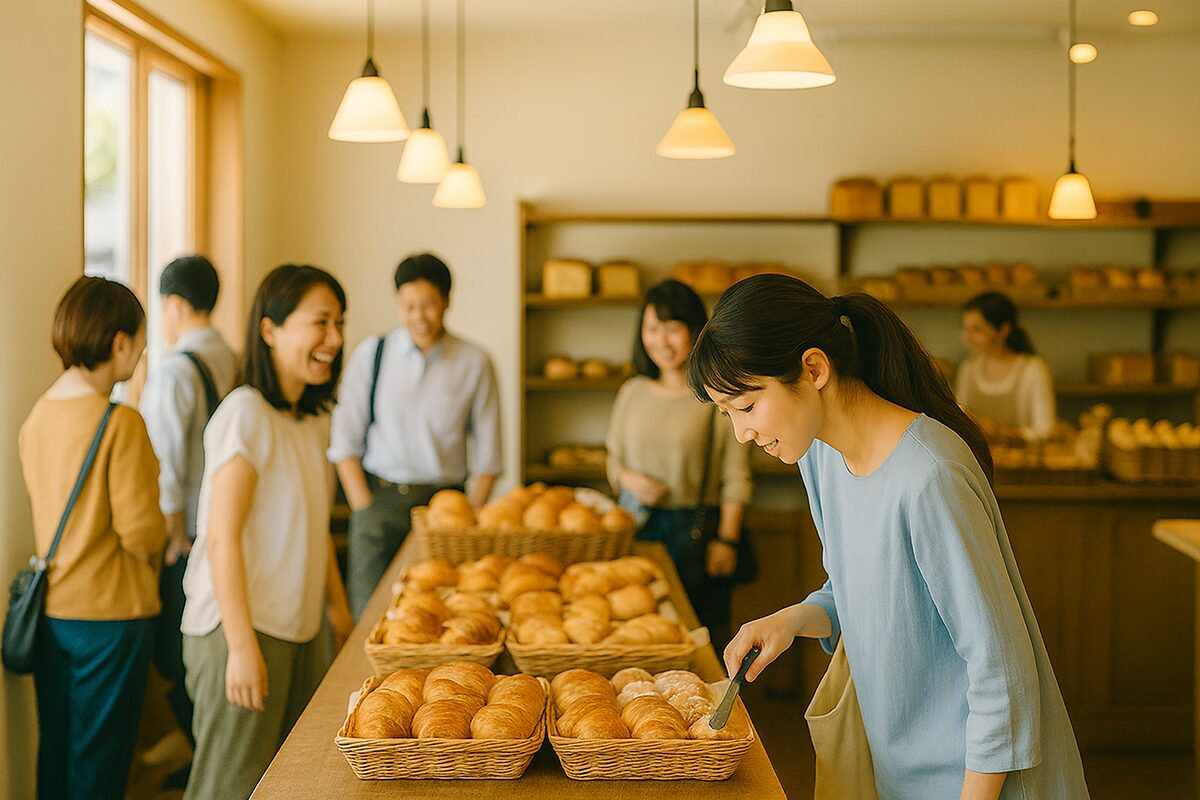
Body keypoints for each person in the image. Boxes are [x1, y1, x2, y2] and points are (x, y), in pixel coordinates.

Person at [688, 274, 1088, 800]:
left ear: (813, 368)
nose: (742, 433)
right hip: (901, 775)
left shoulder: (929, 476)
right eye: (727, 414)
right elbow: (868, 589)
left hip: (983, 782)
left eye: (747, 407)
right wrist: (792, 620)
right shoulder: (820, 456)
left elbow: (1001, 671)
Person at [181, 264, 354, 800]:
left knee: (294, 783)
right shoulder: (245, 413)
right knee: (228, 787)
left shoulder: (309, 420)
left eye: (340, 323)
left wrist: (338, 609)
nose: (335, 338)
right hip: (240, 629)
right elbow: (219, 536)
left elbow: (313, 524)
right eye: (320, 323)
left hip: (298, 628)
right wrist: (240, 645)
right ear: (270, 329)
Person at [19, 276, 166, 799]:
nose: (143, 349)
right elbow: (143, 531)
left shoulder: (38, 416)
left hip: (53, 614)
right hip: (111, 616)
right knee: (100, 764)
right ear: (119, 342)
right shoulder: (119, 423)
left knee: (56, 755)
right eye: (140, 338)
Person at [329, 252, 502, 616]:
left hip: (444, 506)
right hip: (379, 501)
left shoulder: (474, 362)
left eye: (428, 305)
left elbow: (489, 454)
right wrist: (364, 506)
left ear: (447, 302)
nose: (418, 317)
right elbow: (344, 440)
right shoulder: (372, 354)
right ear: (397, 302)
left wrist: (468, 513)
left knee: (441, 613)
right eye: (408, 306)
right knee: (370, 616)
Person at [606, 279, 752, 649]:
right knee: (640, 638)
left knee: (702, 643)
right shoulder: (632, 391)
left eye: (672, 328)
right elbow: (613, 460)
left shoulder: (715, 392)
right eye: (652, 329)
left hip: (697, 538)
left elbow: (735, 475)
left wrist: (727, 540)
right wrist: (628, 478)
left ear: (695, 331)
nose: (661, 340)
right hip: (638, 532)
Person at [139, 254, 238, 766]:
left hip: (192, 540)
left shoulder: (174, 371)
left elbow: (166, 468)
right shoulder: (236, 358)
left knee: (178, 656)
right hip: (235, 533)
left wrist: (172, 538)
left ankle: (197, 759)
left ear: (174, 304)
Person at [956, 291, 1056, 440]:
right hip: (974, 461)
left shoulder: (1033, 369)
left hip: (1021, 460)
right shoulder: (968, 368)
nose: (968, 338)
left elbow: (1045, 429)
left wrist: (999, 432)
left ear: (1003, 330)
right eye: (966, 329)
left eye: (977, 330)